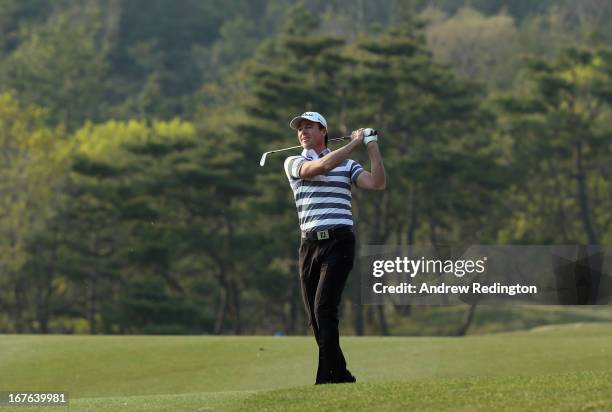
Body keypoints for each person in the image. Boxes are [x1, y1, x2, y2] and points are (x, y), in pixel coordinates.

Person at [283, 111, 386, 384]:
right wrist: (354, 142)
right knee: (315, 318)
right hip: (309, 246)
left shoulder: (349, 165)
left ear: (323, 132)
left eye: (309, 127)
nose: (303, 132)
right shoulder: (293, 161)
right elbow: (320, 168)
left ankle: (333, 376)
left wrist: (371, 144)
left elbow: (377, 183)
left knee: (324, 308)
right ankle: (336, 372)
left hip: (339, 242)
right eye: (300, 128)